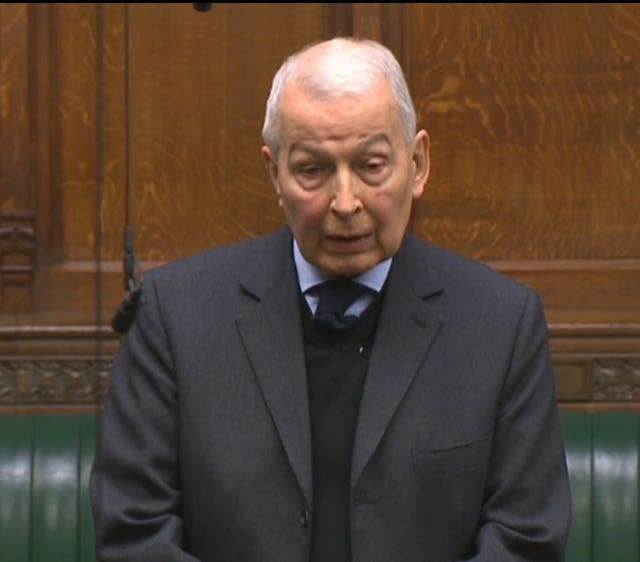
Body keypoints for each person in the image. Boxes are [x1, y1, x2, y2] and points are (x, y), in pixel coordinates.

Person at [90, 37, 571, 561]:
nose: (345, 203)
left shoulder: (500, 325)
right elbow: (134, 531)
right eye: (313, 171)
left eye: (372, 166)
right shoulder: (176, 315)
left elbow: (525, 539)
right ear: (274, 172)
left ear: (418, 163)